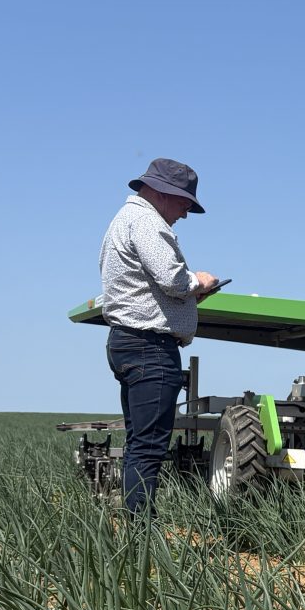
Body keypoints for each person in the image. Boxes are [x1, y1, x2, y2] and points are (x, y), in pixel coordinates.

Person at [99, 158, 221, 515]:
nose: (184, 213)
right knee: (150, 447)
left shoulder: (123, 221)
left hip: (129, 342)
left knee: (140, 441)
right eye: (184, 203)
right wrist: (201, 281)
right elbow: (172, 279)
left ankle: (136, 527)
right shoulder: (147, 223)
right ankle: (142, 532)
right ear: (163, 192)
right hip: (150, 346)